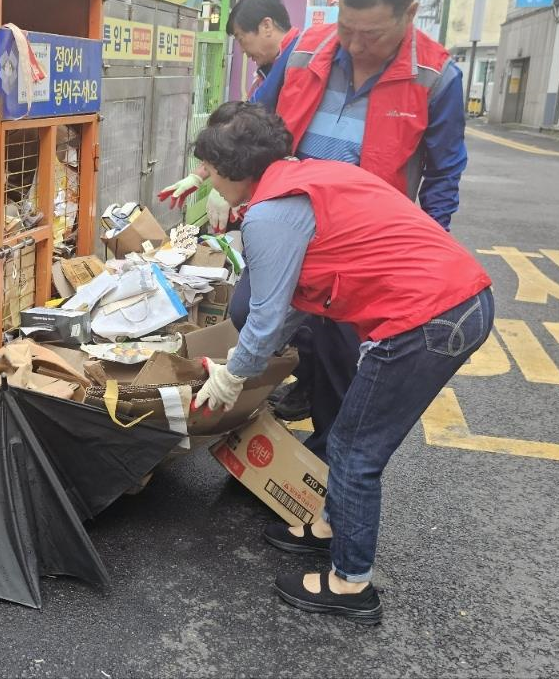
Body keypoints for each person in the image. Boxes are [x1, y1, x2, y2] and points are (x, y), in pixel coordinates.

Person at [189, 101, 492, 624]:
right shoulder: (310, 176)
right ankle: (329, 527)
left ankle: (351, 585)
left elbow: (262, 318)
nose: (208, 181)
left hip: (427, 317)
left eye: (211, 172)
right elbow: (284, 310)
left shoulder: (268, 215)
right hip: (455, 302)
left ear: (238, 173)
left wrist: (235, 373)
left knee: (355, 448)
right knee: (354, 432)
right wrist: (242, 365)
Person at [230, 0, 468, 458]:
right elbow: (258, 119)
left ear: (411, 13)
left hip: (358, 246)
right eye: (347, 28)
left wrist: (420, 254)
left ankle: (322, 464)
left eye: (373, 34)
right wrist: (217, 173)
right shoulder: (304, 47)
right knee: (247, 310)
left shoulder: (436, 77)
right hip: (289, 219)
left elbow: (443, 176)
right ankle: (306, 378)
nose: (356, 45)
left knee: (343, 354)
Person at [159, 0, 299, 232]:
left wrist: (224, 186)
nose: (243, 50)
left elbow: (261, 140)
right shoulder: (271, 70)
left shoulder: (297, 66)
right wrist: (200, 175)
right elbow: (238, 131)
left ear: (267, 25)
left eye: (241, 38)